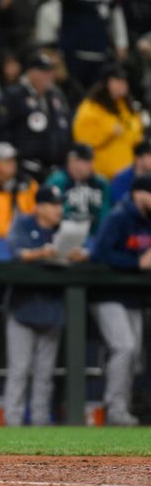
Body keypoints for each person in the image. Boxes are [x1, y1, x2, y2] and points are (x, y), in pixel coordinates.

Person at [3, 186, 87, 426]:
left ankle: (40, 423)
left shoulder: (67, 229)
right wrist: (42, 253)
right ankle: (12, 422)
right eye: (53, 204)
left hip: (52, 308)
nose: (58, 209)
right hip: (23, 307)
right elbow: (15, 253)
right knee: (19, 370)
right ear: (39, 206)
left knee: (44, 374)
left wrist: (80, 255)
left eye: (60, 204)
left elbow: (88, 250)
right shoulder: (24, 224)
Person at [90, 174, 151, 426]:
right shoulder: (118, 217)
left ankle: (121, 407)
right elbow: (99, 255)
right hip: (107, 295)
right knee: (124, 346)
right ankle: (115, 408)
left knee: (133, 355)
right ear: (139, 194)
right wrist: (136, 263)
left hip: (133, 298)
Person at [0, 53, 72, 179]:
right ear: (31, 73)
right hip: (27, 168)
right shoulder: (15, 95)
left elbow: (66, 125)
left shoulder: (57, 96)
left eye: (51, 71)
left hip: (55, 169)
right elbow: (3, 127)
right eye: (44, 72)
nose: (50, 76)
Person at [73, 65, 143, 180]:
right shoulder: (91, 107)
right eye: (117, 80)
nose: (122, 84)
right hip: (101, 174)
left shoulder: (128, 107)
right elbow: (82, 139)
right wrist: (108, 132)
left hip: (127, 174)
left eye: (124, 80)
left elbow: (136, 135)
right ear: (107, 83)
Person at [44, 143, 110, 234]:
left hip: (93, 237)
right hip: (62, 235)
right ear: (71, 161)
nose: (91, 166)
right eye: (86, 162)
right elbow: (47, 212)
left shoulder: (101, 183)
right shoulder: (57, 181)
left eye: (91, 161)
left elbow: (105, 214)